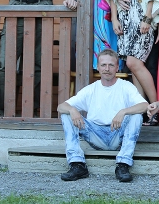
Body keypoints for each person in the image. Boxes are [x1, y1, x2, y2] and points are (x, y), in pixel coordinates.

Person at [57, 49, 146, 182]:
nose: (107, 69)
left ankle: (123, 164)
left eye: (111, 65)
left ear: (117, 67)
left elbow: (144, 106)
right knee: (66, 114)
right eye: (103, 65)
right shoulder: (90, 89)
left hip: (117, 134)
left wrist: (123, 111)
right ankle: (77, 164)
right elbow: (60, 107)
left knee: (136, 115)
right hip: (95, 135)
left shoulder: (126, 86)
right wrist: (72, 109)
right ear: (98, 67)